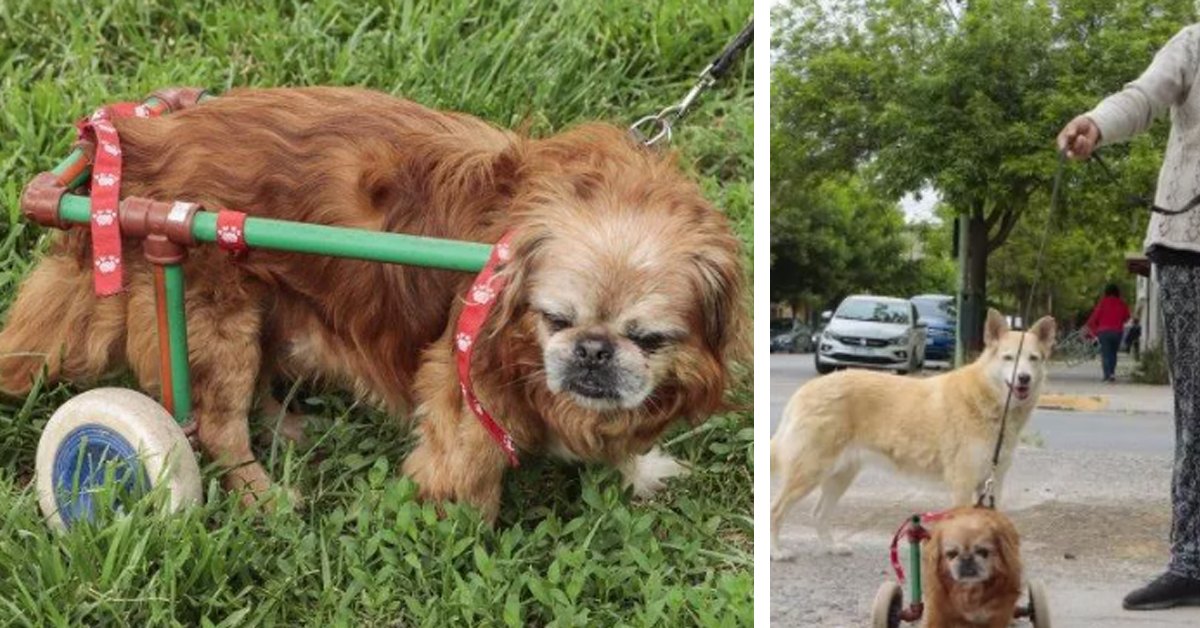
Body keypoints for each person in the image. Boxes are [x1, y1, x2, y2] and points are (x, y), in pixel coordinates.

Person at [1059, 24, 1200, 610]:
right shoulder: (1194, 42)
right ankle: (1192, 559)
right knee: (1197, 408)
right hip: (1190, 245)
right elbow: (1142, 96)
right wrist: (1095, 122)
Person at [1085, 283, 1131, 383]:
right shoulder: (1121, 303)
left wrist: (1089, 326)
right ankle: (1112, 374)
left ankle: (1107, 376)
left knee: (1105, 354)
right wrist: (1119, 320)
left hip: (1104, 332)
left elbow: (1095, 316)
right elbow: (1127, 317)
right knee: (1113, 353)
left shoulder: (1103, 302)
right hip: (1117, 332)